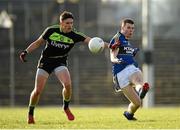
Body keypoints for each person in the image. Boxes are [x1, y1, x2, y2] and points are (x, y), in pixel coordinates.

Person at [19, 11, 108, 124]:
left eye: (71, 23)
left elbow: (93, 41)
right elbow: (38, 43)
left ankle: (65, 107)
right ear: (61, 23)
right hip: (46, 61)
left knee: (67, 84)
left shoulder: (75, 35)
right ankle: (30, 114)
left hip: (60, 61)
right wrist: (25, 51)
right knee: (37, 91)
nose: (70, 25)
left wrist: (111, 46)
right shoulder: (51, 30)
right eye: (67, 23)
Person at [108, 18, 150, 120]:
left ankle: (129, 114)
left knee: (138, 101)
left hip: (129, 69)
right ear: (122, 27)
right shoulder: (117, 38)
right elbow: (113, 55)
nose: (131, 30)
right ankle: (140, 89)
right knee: (137, 100)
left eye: (132, 28)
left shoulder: (126, 42)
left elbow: (124, 52)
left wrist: (132, 52)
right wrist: (115, 60)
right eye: (128, 28)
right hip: (121, 72)